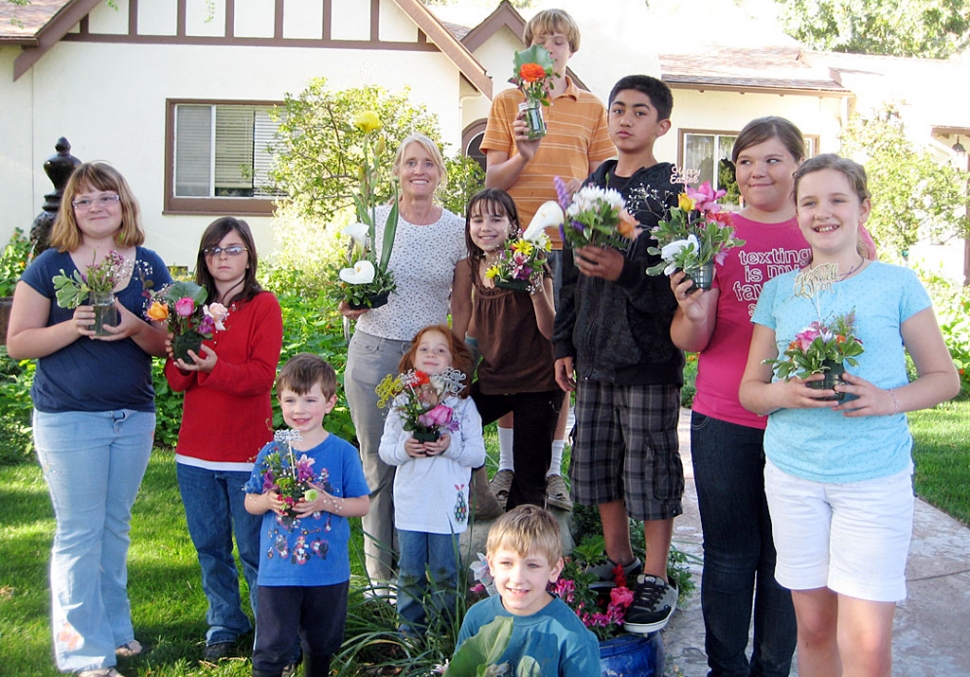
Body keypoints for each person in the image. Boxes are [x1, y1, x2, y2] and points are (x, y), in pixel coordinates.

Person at [669, 117, 880, 677]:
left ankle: (773, 668)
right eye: (745, 161)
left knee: (792, 560)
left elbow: (862, 317)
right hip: (726, 417)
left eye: (771, 159)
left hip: (806, 424)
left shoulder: (826, 228)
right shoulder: (712, 233)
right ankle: (725, 668)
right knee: (729, 555)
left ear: (797, 165)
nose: (756, 171)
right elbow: (691, 339)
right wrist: (692, 311)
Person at [739, 154, 959, 677]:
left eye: (837, 199)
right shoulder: (780, 291)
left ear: (863, 207)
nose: (823, 213)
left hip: (872, 479)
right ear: (797, 212)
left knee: (867, 644)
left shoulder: (897, 284)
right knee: (815, 630)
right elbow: (750, 391)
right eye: (809, 202)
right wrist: (784, 393)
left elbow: (944, 378)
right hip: (794, 479)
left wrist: (888, 400)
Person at [6, 162, 172, 677]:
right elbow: (18, 343)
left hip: (133, 415)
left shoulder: (148, 267)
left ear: (123, 204)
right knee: (80, 532)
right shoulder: (50, 266)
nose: (96, 207)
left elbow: (166, 344)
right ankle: (84, 653)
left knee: (115, 527)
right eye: (84, 200)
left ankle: (116, 630)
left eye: (106, 197)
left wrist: (134, 325)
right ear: (71, 211)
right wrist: (73, 326)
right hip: (69, 418)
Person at [552, 75, 683, 633]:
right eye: (618, 109)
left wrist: (626, 272)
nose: (626, 120)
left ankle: (655, 575)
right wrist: (564, 341)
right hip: (593, 352)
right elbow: (569, 273)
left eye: (640, 111)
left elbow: (680, 280)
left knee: (648, 466)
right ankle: (619, 563)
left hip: (648, 357)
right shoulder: (592, 184)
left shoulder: (671, 191)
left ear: (662, 125)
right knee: (600, 462)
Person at [479, 7, 615, 510]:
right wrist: (525, 155)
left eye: (560, 41)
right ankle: (509, 467)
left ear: (571, 49)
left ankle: (552, 471)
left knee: (559, 357)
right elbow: (492, 182)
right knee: (509, 355)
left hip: (569, 248)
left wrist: (587, 187)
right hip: (515, 248)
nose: (551, 49)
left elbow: (607, 181)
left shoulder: (592, 107)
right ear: (528, 51)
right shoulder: (509, 101)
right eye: (542, 40)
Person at [340, 133, 472, 587]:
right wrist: (350, 302)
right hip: (375, 354)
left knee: (424, 462)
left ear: (439, 173)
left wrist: (456, 360)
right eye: (410, 162)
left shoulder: (455, 229)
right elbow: (351, 284)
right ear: (396, 170)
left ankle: (421, 576)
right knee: (379, 464)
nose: (419, 170)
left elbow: (462, 301)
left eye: (428, 163)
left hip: (429, 362)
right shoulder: (373, 221)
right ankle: (381, 579)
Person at [164, 217, 283, 660]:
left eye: (233, 249)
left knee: (254, 549)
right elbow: (176, 381)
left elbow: (261, 377)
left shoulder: (263, 306)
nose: (222, 258)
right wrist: (182, 360)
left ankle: (271, 630)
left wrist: (214, 368)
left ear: (249, 257)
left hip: (245, 453)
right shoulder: (188, 309)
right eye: (214, 250)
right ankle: (224, 622)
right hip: (196, 453)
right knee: (210, 548)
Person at [244, 354, 371, 677]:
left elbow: (362, 504)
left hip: (327, 573)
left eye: (309, 400)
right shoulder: (273, 451)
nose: (298, 409)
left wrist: (327, 503)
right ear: (279, 402)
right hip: (278, 572)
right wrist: (268, 500)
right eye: (290, 400)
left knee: (320, 645)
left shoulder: (343, 452)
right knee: (271, 648)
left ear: (330, 403)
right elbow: (249, 501)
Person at [378, 325, 485, 633]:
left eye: (441, 350)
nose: (431, 355)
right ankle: (410, 633)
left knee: (445, 571)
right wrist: (405, 450)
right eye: (424, 349)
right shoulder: (403, 403)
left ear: (454, 361)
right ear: (412, 358)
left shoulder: (462, 406)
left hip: (447, 505)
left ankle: (443, 633)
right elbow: (385, 451)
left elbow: (477, 455)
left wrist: (452, 448)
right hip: (412, 504)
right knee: (410, 572)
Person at [460, 188, 561, 509]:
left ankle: (529, 535)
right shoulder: (474, 266)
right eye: (477, 219)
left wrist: (535, 289)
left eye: (496, 219)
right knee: (450, 423)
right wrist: (457, 377)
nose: (485, 227)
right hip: (497, 379)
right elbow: (475, 328)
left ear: (513, 225)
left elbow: (551, 330)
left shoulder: (529, 260)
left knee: (529, 484)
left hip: (538, 382)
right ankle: (479, 499)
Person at [454, 505, 600, 676]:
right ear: (491, 564)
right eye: (507, 563)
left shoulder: (573, 638)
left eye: (532, 565)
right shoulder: (477, 618)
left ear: (554, 569)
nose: (518, 578)